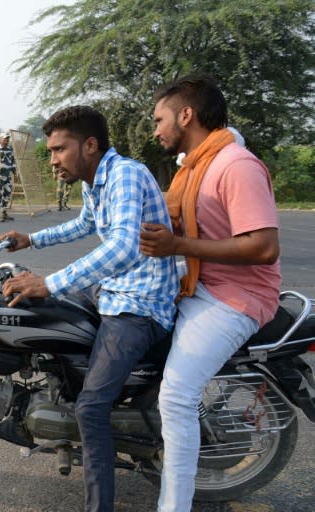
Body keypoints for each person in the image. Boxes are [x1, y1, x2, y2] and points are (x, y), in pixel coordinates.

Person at [0, 106, 178, 512]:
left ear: (90, 145)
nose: (53, 159)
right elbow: (84, 224)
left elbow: (123, 246)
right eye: (50, 151)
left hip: (139, 304)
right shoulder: (95, 180)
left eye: (59, 149)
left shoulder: (125, 175)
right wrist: (32, 240)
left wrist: (49, 282)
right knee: (51, 319)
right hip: (112, 290)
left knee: (92, 407)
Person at [141, 73, 281, 512]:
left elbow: (263, 246)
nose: (156, 129)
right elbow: (164, 210)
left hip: (234, 297)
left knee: (177, 394)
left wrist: (177, 245)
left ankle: (174, 506)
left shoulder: (234, 165)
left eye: (160, 118)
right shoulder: (195, 166)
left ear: (187, 114)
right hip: (198, 283)